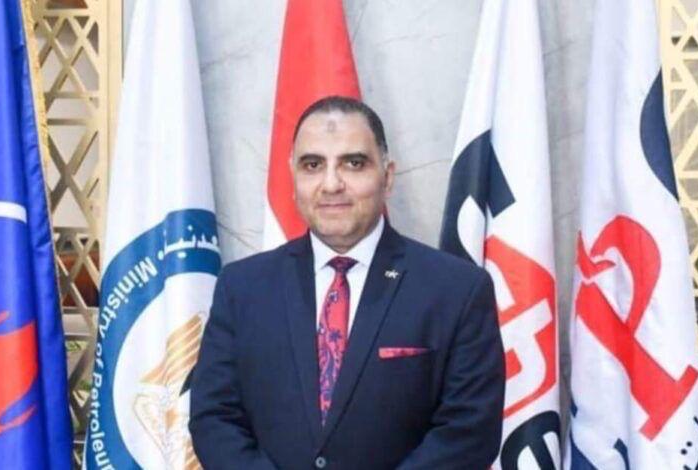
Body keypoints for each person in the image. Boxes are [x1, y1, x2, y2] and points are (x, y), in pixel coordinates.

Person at [189, 96, 505, 469]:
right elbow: (214, 418)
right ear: (293, 178)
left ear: (388, 176)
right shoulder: (242, 287)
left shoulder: (457, 290)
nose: (331, 184)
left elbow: (468, 433)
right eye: (312, 165)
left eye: (353, 163)